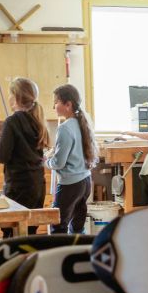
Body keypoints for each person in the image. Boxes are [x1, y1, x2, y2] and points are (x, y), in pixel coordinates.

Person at [0, 77, 49, 237]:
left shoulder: (12, 121)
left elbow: (2, 156)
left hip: (18, 186)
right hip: (37, 185)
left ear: (15, 97)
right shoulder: (38, 120)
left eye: (10, 94)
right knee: (30, 231)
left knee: (13, 233)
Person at [46, 84, 98, 234]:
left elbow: (58, 163)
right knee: (77, 227)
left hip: (70, 185)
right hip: (85, 182)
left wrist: (45, 161)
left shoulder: (65, 128)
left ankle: (60, 256)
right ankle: (77, 255)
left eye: (56, 102)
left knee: (57, 227)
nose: (53, 106)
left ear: (67, 104)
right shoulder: (83, 122)